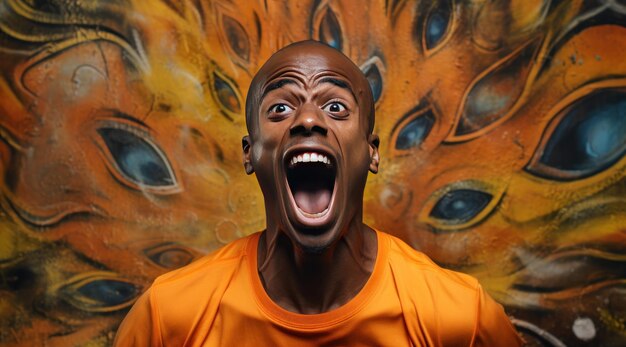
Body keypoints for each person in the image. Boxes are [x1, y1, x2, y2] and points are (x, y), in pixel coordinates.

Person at [114, 40, 523, 346]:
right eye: (279, 109)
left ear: (371, 152)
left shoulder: (460, 320)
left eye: (336, 108)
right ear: (250, 154)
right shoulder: (168, 318)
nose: (308, 118)